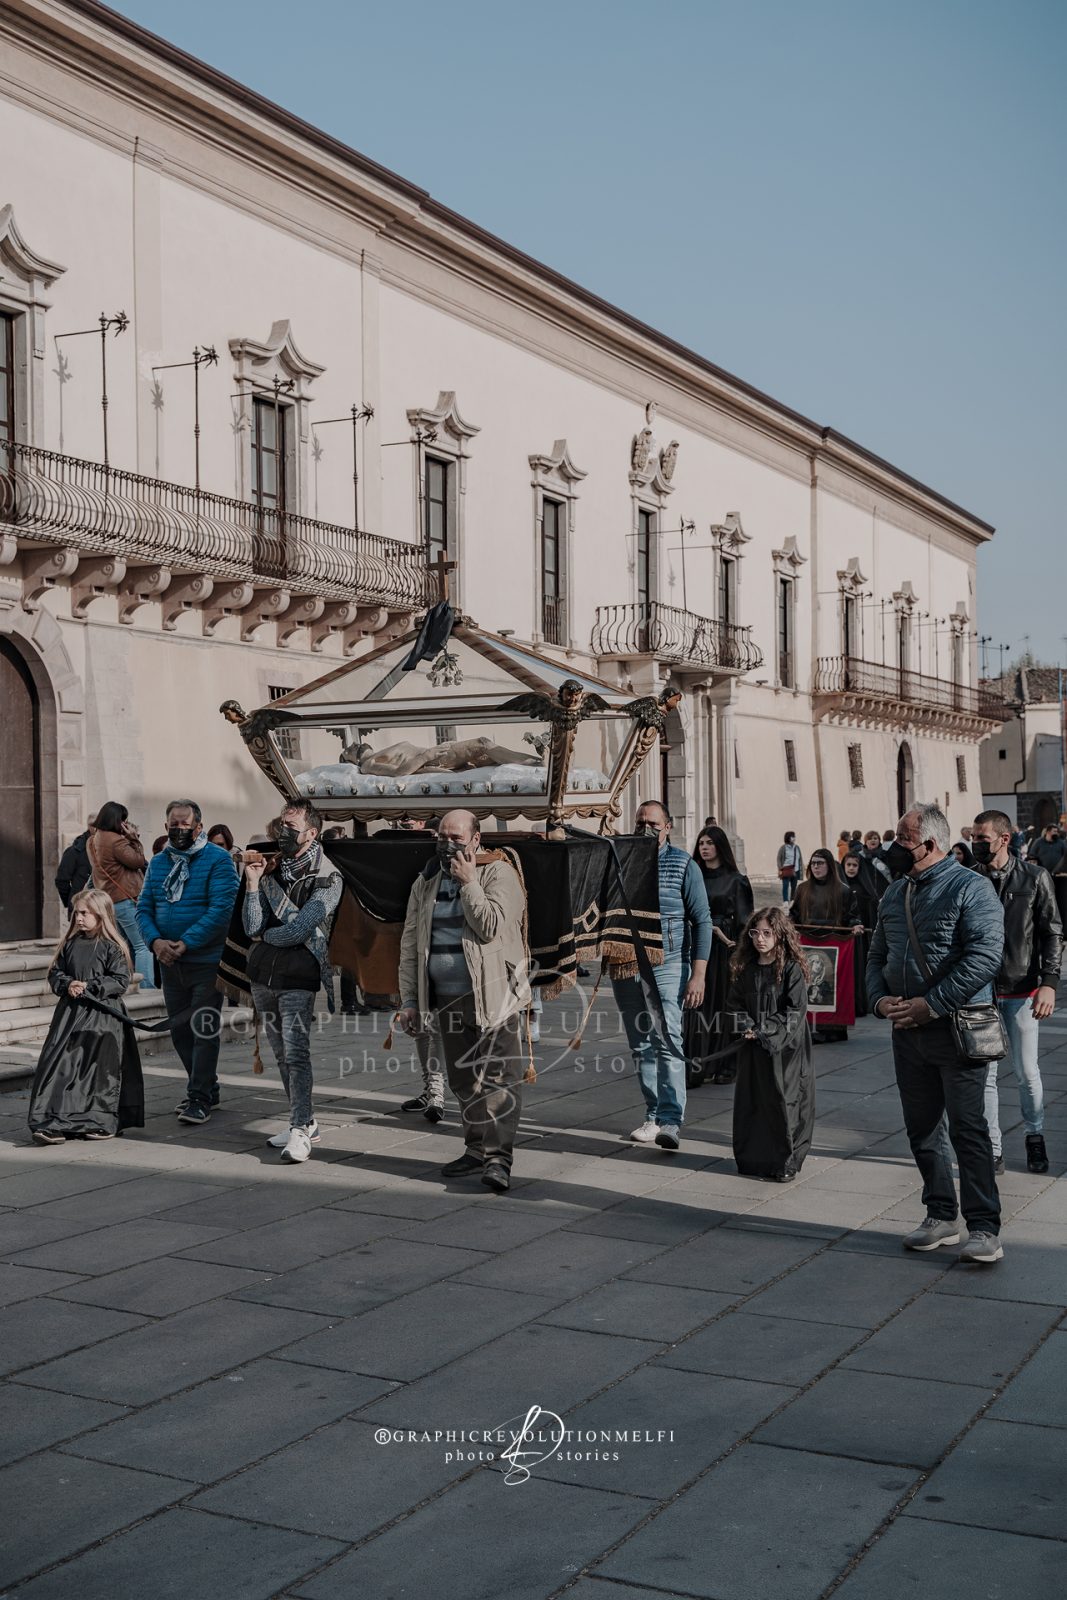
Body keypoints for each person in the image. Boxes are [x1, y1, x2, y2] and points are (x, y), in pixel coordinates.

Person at [867, 802, 1005, 1264]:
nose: (895, 847)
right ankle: (940, 1215)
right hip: (907, 1030)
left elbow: (985, 957)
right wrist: (879, 999)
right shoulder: (894, 894)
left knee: (969, 1130)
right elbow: (875, 955)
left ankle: (984, 1227)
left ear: (929, 844)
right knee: (922, 1129)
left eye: (903, 840)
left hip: (957, 1029)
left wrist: (934, 1004)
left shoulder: (972, 888)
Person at [396, 809, 531, 1192]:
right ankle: (475, 1150)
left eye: (456, 837)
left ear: (475, 839)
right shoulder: (425, 882)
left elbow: (490, 926)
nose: (447, 844)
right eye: (441, 836)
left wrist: (470, 882)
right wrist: (409, 999)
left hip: (495, 997)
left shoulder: (499, 872)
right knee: (464, 1080)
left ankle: (498, 1159)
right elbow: (410, 945)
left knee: (499, 1081)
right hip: (447, 999)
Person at [243, 801, 343, 1164]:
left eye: (292, 825)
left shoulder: (328, 875)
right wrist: (253, 884)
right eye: (281, 824)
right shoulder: (272, 869)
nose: (283, 831)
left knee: (297, 1053)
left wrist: (267, 937)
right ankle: (303, 1119)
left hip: (299, 975)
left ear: (311, 833)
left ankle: (301, 1128)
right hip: (262, 976)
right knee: (281, 1054)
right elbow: (251, 926)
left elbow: (301, 929)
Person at [612, 800, 711, 1152]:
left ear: (667, 826)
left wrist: (697, 975)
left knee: (667, 1040)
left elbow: (702, 921)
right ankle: (653, 1114)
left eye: (652, 823)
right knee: (640, 1044)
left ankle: (671, 1120)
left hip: (668, 963)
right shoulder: (619, 859)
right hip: (625, 961)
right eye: (640, 822)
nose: (645, 828)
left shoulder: (684, 864)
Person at [137, 799, 239, 1125]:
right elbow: (144, 908)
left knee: (204, 1030)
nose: (178, 829)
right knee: (180, 1032)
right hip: (169, 963)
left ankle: (199, 1098)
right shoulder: (157, 862)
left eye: (185, 824)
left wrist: (187, 942)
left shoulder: (218, 860)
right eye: (173, 824)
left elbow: (222, 910)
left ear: (198, 826)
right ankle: (208, 1086)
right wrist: (155, 942)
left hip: (206, 961)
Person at [971, 809, 1062, 1175]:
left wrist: (1049, 983)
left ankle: (1035, 1135)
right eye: (973, 837)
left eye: (982, 837)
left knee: (1026, 1071)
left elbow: (1052, 932)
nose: (976, 843)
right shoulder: (970, 879)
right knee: (986, 1076)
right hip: (980, 992)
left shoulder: (1035, 877)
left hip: (1022, 988)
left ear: (1004, 838)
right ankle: (992, 1149)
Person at [27, 888, 144, 1144]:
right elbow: (55, 973)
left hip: (103, 1019)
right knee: (61, 1065)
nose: (78, 918)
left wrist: (90, 987)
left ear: (101, 914)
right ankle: (52, 1121)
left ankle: (99, 1120)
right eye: (76, 913)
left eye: (84, 913)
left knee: (100, 1071)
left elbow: (120, 980)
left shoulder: (113, 947)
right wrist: (68, 983)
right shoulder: (69, 944)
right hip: (70, 1015)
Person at [727, 906, 814, 1182]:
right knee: (753, 1102)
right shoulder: (746, 969)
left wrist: (765, 1030)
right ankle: (753, 1158)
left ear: (779, 934)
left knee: (785, 1103)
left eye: (766, 933)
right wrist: (746, 1027)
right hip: (753, 1049)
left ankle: (785, 1161)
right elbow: (734, 1005)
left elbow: (795, 1009)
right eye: (755, 932)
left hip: (786, 1049)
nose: (759, 939)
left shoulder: (791, 969)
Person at [684, 825, 753, 1086]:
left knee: (723, 1004)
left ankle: (726, 1063)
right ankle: (696, 1063)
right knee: (696, 1003)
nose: (704, 847)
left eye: (710, 843)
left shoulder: (737, 880)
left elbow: (746, 921)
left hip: (724, 949)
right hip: (696, 944)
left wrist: (738, 950)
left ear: (720, 846)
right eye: (701, 842)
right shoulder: (692, 876)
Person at [790, 848, 863, 1041]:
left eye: (820, 863)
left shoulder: (843, 891)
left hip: (834, 946)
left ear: (829, 866)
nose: (816, 867)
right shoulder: (802, 889)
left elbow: (853, 916)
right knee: (808, 985)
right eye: (813, 863)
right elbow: (794, 915)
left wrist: (855, 926)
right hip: (807, 945)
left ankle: (834, 1028)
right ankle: (809, 1026)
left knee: (831, 988)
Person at [87, 801, 155, 991]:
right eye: (124, 820)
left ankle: (131, 984)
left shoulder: (92, 840)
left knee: (128, 947)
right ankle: (147, 987)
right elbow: (138, 861)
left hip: (109, 901)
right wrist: (134, 840)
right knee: (143, 946)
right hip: (126, 899)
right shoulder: (116, 841)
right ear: (117, 820)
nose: (126, 824)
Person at [840, 851, 877, 1016]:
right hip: (843, 937)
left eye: (855, 865)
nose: (851, 868)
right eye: (848, 865)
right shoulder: (839, 887)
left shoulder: (865, 889)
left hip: (861, 939)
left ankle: (859, 1003)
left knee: (859, 971)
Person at [55, 818, 95, 911]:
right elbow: (61, 880)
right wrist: (72, 900)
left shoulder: (104, 849)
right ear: (91, 827)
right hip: (80, 906)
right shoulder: (74, 851)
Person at [860, 830, 891, 895]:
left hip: (885, 893)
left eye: (875, 838)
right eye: (869, 839)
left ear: (879, 841)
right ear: (865, 842)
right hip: (867, 894)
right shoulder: (860, 857)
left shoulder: (886, 855)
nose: (873, 840)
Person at [777, 831, 802, 903]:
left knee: (794, 886)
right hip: (786, 870)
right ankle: (785, 901)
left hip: (795, 870)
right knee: (785, 886)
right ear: (788, 838)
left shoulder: (797, 847)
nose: (794, 838)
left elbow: (800, 859)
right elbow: (779, 858)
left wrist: (800, 869)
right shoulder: (783, 848)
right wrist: (780, 868)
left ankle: (792, 900)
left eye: (794, 837)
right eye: (792, 837)